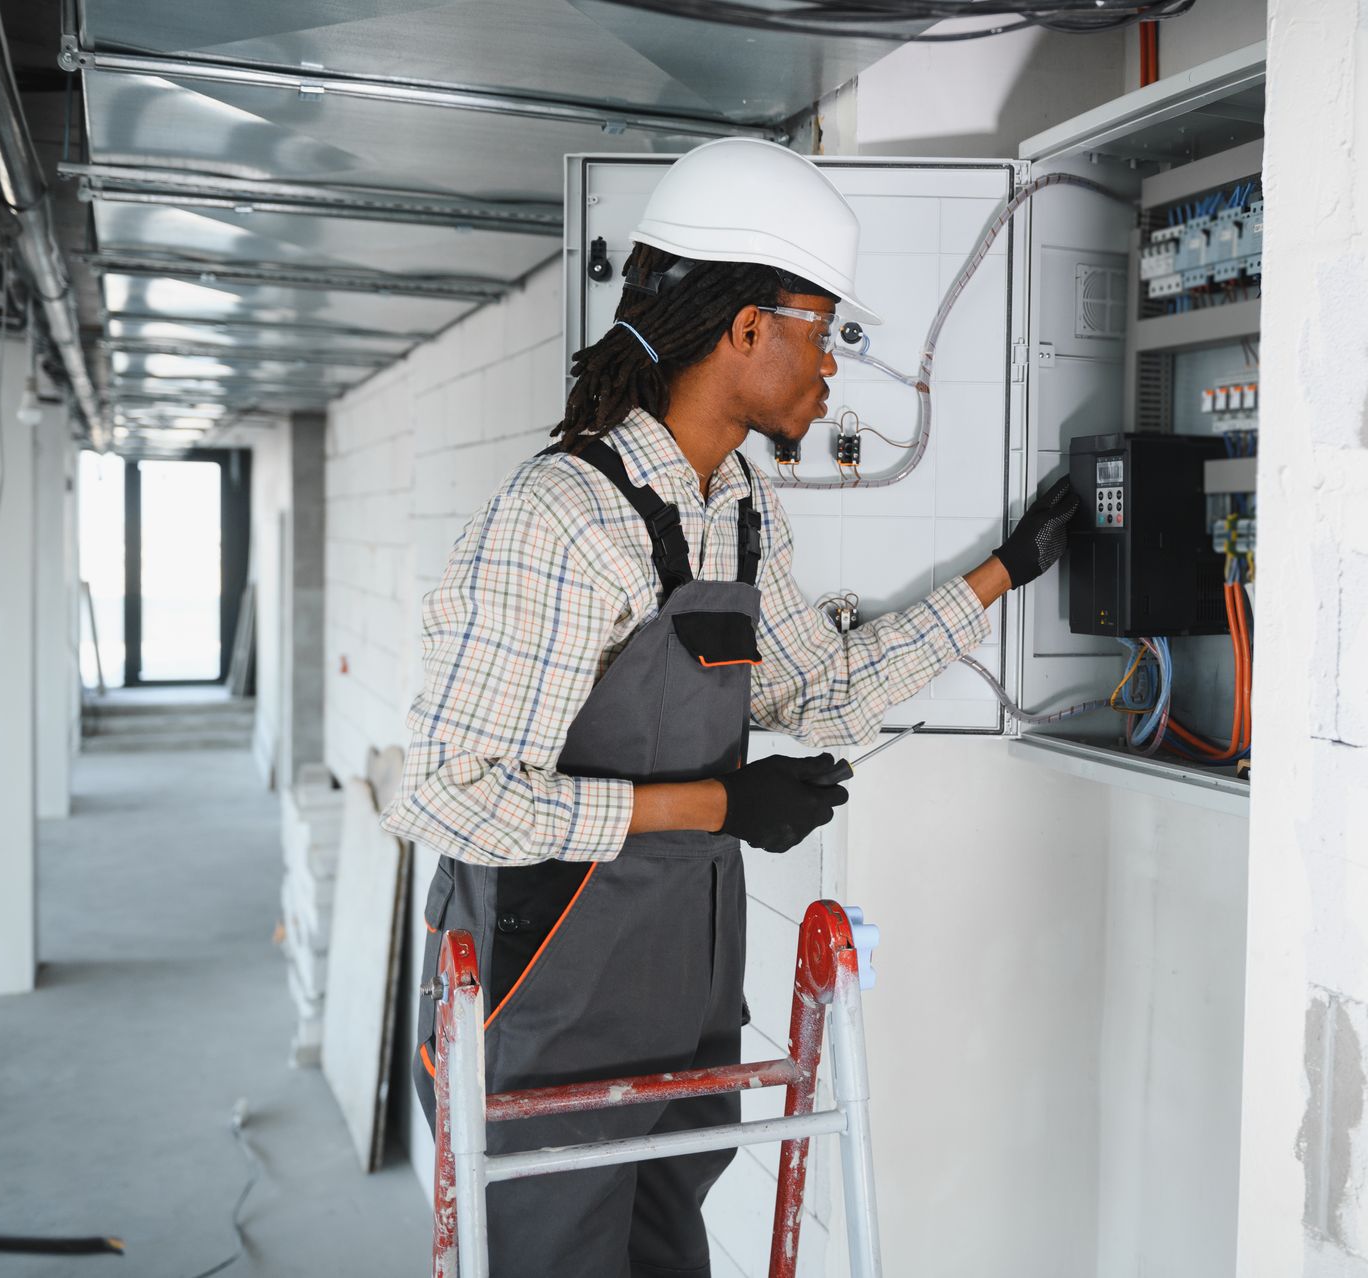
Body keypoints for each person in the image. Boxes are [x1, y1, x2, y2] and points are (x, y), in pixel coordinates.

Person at [381, 136, 1076, 1278]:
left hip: (682, 1000)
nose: (831, 368)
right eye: (822, 331)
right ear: (746, 329)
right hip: (547, 1009)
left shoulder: (740, 504)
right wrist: (716, 803)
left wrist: (1010, 569)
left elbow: (825, 688)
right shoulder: (565, 518)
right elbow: (452, 799)